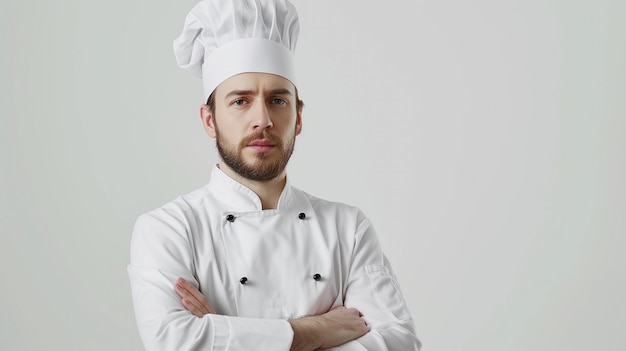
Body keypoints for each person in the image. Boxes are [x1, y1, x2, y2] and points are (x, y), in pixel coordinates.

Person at [127, 0, 421, 350]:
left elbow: (400, 343)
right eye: (240, 101)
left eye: (278, 100)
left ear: (298, 118)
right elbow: (174, 344)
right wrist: (318, 330)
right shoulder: (168, 230)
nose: (262, 119)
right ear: (210, 120)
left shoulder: (348, 229)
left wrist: (227, 333)